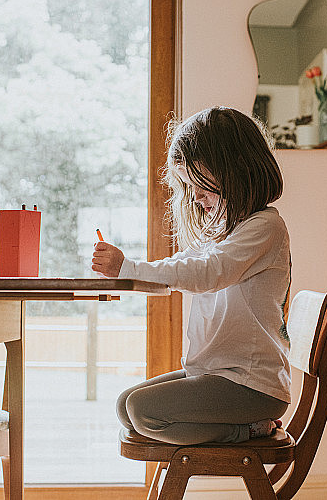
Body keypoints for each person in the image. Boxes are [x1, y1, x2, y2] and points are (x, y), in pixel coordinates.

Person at [91, 106, 291, 445]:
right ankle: (242, 427)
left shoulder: (264, 227)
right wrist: (132, 270)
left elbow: (208, 272)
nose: (196, 197)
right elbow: (190, 262)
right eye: (190, 186)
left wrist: (130, 268)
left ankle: (250, 429)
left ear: (237, 170)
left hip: (250, 385)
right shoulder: (228, 230)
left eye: (201, 184)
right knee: (126, 407)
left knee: (142, 411)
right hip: (219, 376)